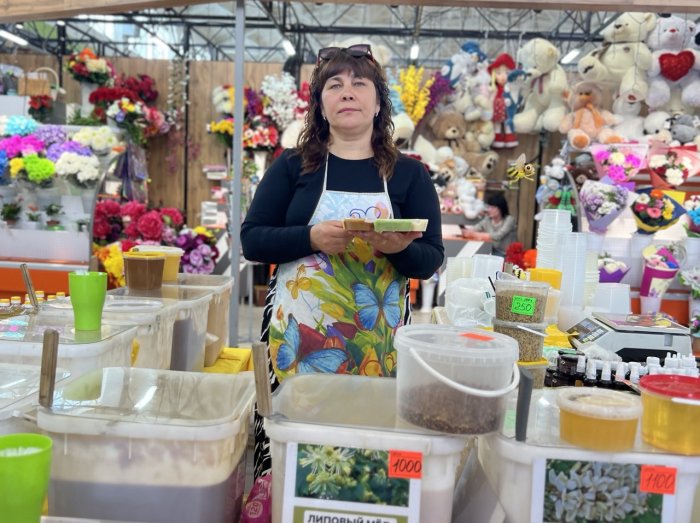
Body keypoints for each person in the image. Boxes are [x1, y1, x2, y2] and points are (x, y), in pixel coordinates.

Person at [240, 43, 443, 478]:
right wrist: (310, 237)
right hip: (299, 338)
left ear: (377, 102)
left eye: (358, 83)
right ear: (320, 104)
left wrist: (398, 249)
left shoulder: (409, 174)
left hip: (375, 343)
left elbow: (430, 260)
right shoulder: (293, 167)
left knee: (362, 451)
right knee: (293, 445)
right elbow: (252, 241)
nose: (346, 92)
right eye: (334, 85)